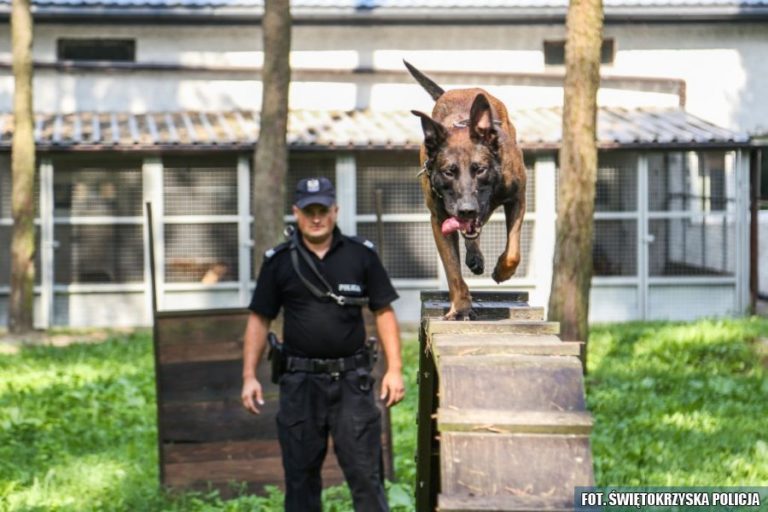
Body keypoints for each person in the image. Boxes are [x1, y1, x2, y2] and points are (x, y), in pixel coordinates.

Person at [241, 176, 405, 512]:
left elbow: (383, 311)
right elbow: (259, 319)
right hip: (300, 385)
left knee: (366, 478)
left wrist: (395, 369)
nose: (316, 218)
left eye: (323, 210)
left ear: (335, 211)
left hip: (352, 384)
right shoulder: (279, 261)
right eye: (309, 211)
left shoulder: (361, 255)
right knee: (300, 482)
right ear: (296, 213)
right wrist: (248, 376)